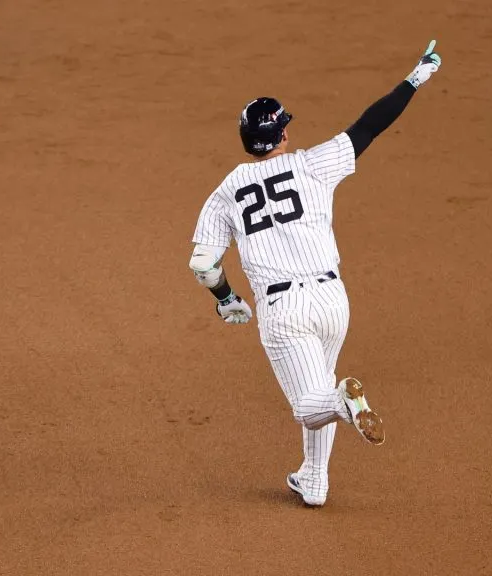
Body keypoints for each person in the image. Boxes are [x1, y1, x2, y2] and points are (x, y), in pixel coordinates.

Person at [188, 41, 443, 507]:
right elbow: (370, 125)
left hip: (284, 310)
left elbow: (203, 265)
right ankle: (314, 480)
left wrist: (226, 298)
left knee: (312, 407)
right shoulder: (313, 164)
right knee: (320, 381)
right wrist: (415, 78)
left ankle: (345, 403)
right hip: (332, 300)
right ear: (281, 136)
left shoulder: (226, 191)